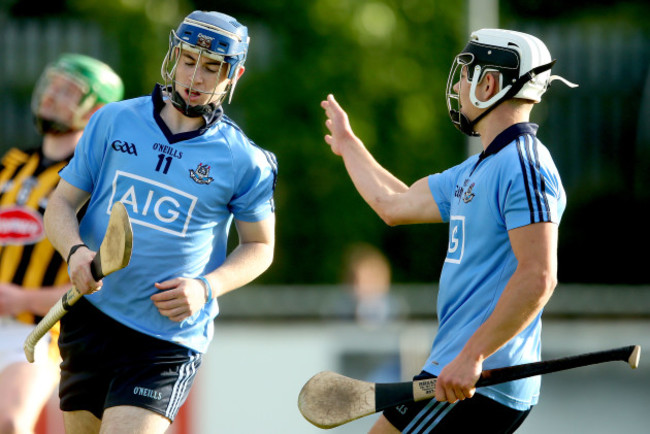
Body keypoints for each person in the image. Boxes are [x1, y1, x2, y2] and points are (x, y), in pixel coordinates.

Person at [321, 28, 576, 433]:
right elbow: (395, 203)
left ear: (489, 83)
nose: (458, 85)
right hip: (459, 368)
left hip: (482, 377)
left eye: (466, 74)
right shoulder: (479, 168)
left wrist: (472, 355)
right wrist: (351, 146)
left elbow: (539, 276)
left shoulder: (525, 165)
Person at [43, 10, 277, 433]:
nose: (195, 76)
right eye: (188, 60)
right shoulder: (113, 120)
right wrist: (74, 251)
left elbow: (260, 247)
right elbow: (60, 205)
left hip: (165, 340)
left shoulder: (245, 160)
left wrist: (207, 287)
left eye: (212, 67)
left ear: (233, 74)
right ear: (173, 56)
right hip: (92, 318)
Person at [0, 54, 123, 434]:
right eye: (51, 84)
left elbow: (101, 280)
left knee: (9, 422)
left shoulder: (96, 185)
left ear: (97, 110)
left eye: (68, 91)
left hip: (39, 330)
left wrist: (21, 299)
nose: (52, 96)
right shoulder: (12, 162)